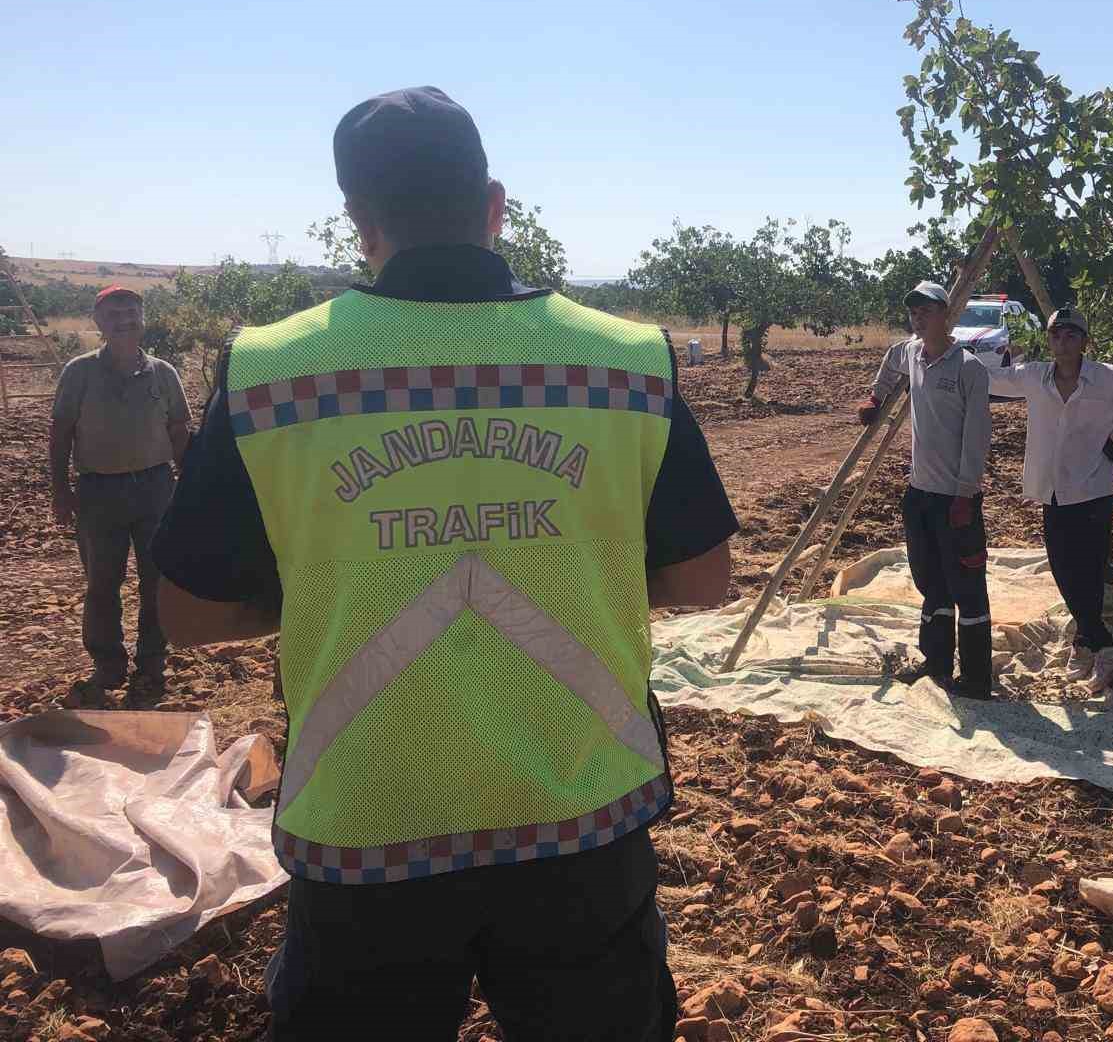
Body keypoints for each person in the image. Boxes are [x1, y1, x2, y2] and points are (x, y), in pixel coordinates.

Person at [151, 87, 738, 1041]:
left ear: (359, 220)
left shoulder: (271, 370)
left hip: (364, 831)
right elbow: (701, 578)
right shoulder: (625, 362)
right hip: (581, 824)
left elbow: (186, 613)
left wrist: (332, 576)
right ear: (495, 204)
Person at [994, 306, 1113, 693]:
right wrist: (946, 349)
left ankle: (1100, 645)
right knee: (1062, 568)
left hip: (1093, 489)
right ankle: (1088, 641)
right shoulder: (1034, 376)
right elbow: (990, 379)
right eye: (1056, 335)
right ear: (1048, 340)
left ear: (1084, 341)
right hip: (1052, 490)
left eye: (1071, 336)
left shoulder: (1107, 379)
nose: (1062, 343)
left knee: (1085, 571)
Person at [49, 285, 190, 706]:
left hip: (155, 488)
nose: (124, 320)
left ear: (142, 319)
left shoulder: (163, 372)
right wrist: (60, 490)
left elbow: (179, 430)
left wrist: (190, 485)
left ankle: (152, 662)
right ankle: (108, 663)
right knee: (102, 583)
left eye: (132, 312)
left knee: (156, 581)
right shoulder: (79, 372)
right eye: (114, 314)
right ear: (98, 323)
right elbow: (60, 434)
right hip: (98, 491)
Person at [859, 280, 994, 699]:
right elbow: (888, 362)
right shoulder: (911, 353)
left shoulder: (968, 368)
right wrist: (875, 396)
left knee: (967, 589)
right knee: (931, 583)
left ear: (946, 315)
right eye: (914, 312)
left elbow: (978, 437)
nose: (919, 318)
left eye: (927, 311)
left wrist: (964, 493)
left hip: (956, 497)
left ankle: (975, 677)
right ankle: (935, 662)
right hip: (919, 494)